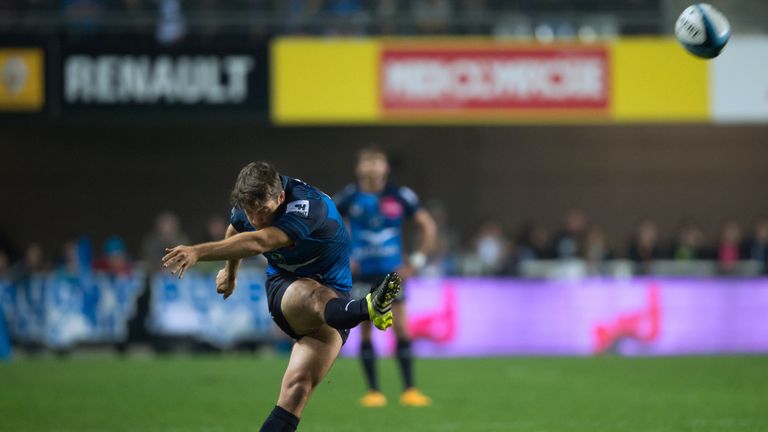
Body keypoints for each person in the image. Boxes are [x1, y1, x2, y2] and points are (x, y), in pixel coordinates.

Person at [162, 161, 401, 432]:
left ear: (281, 197)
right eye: (250, 212)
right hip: (285, 289)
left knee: (297, 391)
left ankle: (364, 308)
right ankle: (368, 307)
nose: (256, 220)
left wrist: (197, 252)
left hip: (336, 303)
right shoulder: (251, 204)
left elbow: (259, 241)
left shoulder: (308, 206)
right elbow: (237, 229)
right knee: (313, 295)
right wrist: (230, 272)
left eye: (263, 211)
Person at [334, 147, 437, 408]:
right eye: (367, 161)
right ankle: (373, 391)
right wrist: (343, 258)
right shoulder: (349, 197)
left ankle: (410, 390)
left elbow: (428, 226)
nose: (372, 166)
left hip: (391, 274)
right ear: (358, 168)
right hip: (362, 274)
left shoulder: (400, 196)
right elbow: (327, 227)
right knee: (366, 329)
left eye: (377, 161)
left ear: (386, 167)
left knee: (401, 327)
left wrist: (416, 261)